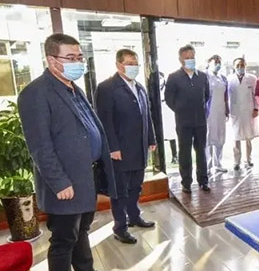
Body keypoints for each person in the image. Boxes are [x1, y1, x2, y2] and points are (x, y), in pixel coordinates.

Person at [18, 34, 118, 271]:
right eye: (70, 58)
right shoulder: (36, 93)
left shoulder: (73, 88)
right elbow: (40, 146)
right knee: (63, 240)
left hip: (86, 177)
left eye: (79, 57)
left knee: (81, 229)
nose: (77, 63)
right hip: (65, 183)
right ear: (51, 60)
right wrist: (59, 182)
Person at [94, 49, 157, 245]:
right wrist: (112, 147)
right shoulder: (106, 88)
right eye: (129, 63)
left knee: (136, 187)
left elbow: (147, 116)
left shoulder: (139, 87)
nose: (133, 67)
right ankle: (120, 228)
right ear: (118, 65)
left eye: (135, 63)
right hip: (119, 150)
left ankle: (134, 217)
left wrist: (151, 139)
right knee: (120, 191)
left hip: (139, 148)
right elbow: (104, 121)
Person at [164, 44, 211, 193]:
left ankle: (203, 180)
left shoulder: (202, 76)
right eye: (187, 58)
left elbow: (206, 95)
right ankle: (186, 183)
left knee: (201, 151)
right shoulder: (173, 77)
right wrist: (181, 110)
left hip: (200, 121)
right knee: (184, 153)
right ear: (180, 60)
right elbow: (169, 99)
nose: (190, 60)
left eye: (192, 57)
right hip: (183, 122)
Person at [228, 57, 259, 170]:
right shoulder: (229, 79)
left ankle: (248, 160)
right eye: (237, 65)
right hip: (235, 111)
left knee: (248, 137)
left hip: (248, 110)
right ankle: (236, 161)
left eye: (242, 65)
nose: (240, 67)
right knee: (235, 137)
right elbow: (227, 96)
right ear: (234, 67)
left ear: (245, 65)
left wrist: (256, 108)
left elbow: (256, 95)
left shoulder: (252, 78)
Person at [205, 55, 229, 175]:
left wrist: (227, 109)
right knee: (209, 137)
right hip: (209, 112)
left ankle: (218, 163)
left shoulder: (223, 78)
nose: (218, 64)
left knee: (220, 137)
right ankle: (207, 165)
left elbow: (226, 95)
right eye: (215, 62)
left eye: (219, 62)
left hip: (221, 111)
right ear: (209, 62)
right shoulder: (205, 76)